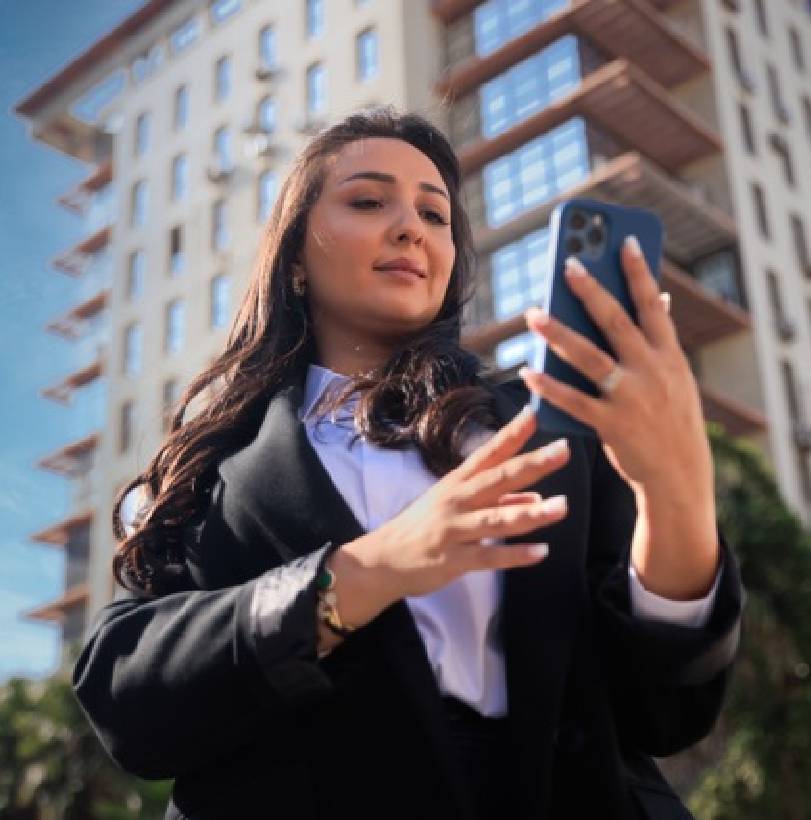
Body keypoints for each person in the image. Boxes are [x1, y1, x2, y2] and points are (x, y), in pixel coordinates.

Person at [73, 107, 743, 820]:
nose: (410, 228)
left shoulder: (547, 426)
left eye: (434, 214)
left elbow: (665, 712)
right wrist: (367, 571)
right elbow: (125, 696)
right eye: (368, 201)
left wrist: (676, 493)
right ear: (294, 258)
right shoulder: (216, 468)